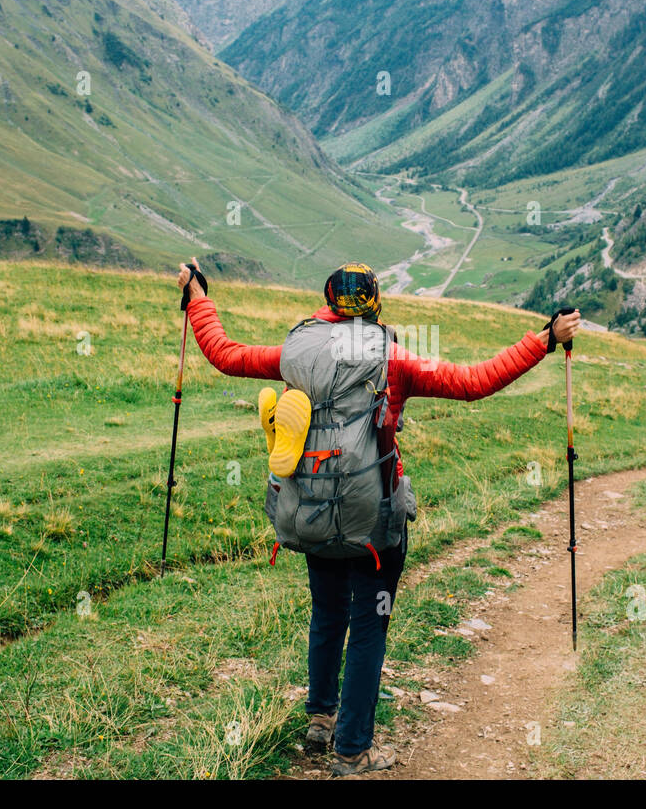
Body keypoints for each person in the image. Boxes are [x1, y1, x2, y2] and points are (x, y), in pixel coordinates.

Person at [176, 258, 580, 776]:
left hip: (312, 512)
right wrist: (544, 340)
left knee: (327, 614)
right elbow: (475, 381)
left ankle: (321, 719)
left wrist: (199, 298)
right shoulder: (392, 360)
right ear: (375, 304)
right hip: (375, 522)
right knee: (368, 628)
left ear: (326, 301)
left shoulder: (295, 353)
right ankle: (353, 749)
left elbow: (225, 354)